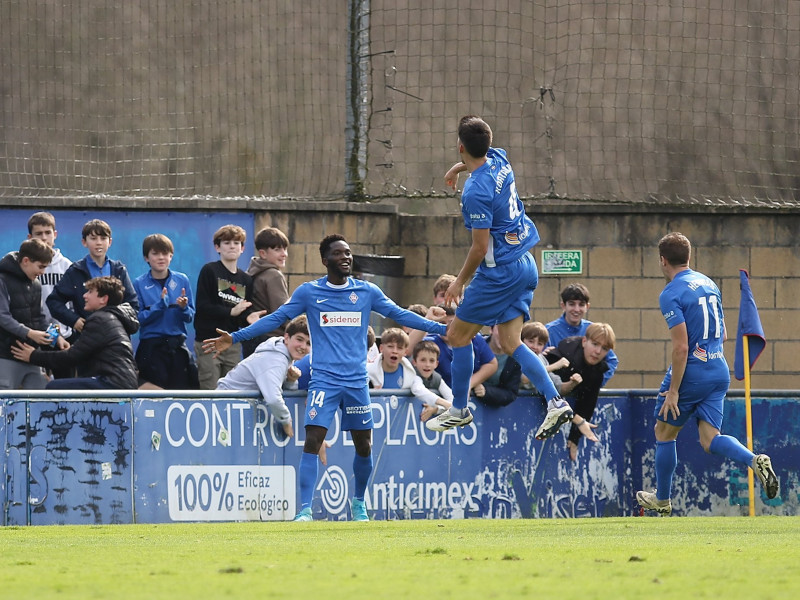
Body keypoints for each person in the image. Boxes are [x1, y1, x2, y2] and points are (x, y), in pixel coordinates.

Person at [203, 234, 448, 522]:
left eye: (348, 253)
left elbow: (399, 314)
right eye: (338, 253)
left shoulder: (366, 292)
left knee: (363, 444)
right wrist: (235, 337)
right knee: (313, 439)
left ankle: (358, 504)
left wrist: (443, 330)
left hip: (356, 382)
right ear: (324, 260)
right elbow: (275, 318)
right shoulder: (310, 292)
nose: (345, 257)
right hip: (324, 381)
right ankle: (305, 510)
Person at [426, 115, 571, 438]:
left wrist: (459, 281)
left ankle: (459, 409)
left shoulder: (474, 193)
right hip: (525, 263)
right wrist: (457, 168)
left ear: (460, 146)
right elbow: (479, 158)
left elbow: (479, 248)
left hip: (499, 272)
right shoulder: (500, 158)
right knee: (509, 342)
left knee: (457, 337)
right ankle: (556, 402)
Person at [637, 232, 779, 515]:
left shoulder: (671, 293)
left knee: (663, 432)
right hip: (718, 368)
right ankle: (753, 460)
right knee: (710, 438)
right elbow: (723, 333)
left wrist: (675, 390)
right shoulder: (708, 283)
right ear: (689, 257)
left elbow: (681, 347)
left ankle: (662, 500)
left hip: (693, 370)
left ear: (662, 261)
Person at [12, 276, 139, 389]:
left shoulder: (99, 319)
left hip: (111, 383)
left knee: (53, 387)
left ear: (103, 299)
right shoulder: (111, 318)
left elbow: (71, 357)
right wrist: (73, 348)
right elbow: (83, 352)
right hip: (122, 382)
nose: (84, 296)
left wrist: (33, 356)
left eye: (90, 292)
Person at [46, 219, 138, 344]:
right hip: (87, 337)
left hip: (115, 337)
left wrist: (118, 322)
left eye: (103, 238)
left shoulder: (118, 270)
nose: (99, 243)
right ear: (84, 242)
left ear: (110, 242)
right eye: (93, 238)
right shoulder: (76, 270)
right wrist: (74, 320)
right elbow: (54, 301)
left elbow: (132, 304)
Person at [193, 224, 263, 389]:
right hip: (208, 342)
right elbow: (203, 307)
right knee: (210, 391)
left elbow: (240, 315)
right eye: (226, 242)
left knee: (232, 391)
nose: (232, 246)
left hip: (232, 343)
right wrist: (230, 311)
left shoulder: (246, 280)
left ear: (243, 248)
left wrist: (248, 318)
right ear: (217, 247)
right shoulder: (209, 270)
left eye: (236, 243)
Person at [217, 315, 310, 437]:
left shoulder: (283, 355)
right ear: (286, 338)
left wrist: (291, 381)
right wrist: (286, 421)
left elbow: (281, 391)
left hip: (233, 410)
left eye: (308, 343)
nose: (303, 346)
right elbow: (273, 398)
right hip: (223, 409)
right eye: (299, 339)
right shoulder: (276, 359)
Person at [133, 234, 199, 389]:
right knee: (153, 398)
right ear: (146, 258)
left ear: (171, 256)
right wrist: (159, 306)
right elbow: (137, 319)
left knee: (186, 391)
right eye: (155, 254)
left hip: (177, 345)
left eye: (165, 253)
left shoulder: (182, 280)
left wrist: (183, 308)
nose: (161, 258)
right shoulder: (139, 283)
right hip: (151, 348)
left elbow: (190, 316)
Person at [546, 323, 615, 461]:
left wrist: (574, 437)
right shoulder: (560, 357)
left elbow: (588, 403)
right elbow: (548, 395)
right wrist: (578, 420)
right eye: (595, 344)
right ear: (584, 341)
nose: (598, 351)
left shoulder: (597, 371)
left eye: (604, 348)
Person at [0, 239, 58, 389]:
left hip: (31, 356)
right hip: (5, 356)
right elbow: (2, 316)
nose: (42, 272)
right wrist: (30, 333)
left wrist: (55, 337)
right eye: (40, 267)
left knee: (39, 403)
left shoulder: (36, 284)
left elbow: (38, 316)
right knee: (5, 406)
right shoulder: (2, 280)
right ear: (26, 261)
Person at [411, 303, 498, 393]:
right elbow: (407, 350)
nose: (448, 328)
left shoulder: (474, 339)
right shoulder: (432, 342)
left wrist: (469, 384)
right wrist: (427, 319)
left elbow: (491, 364)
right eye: (442, 323)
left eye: (452, 323)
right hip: (440, 398)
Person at [367, 328, 451, 420]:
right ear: (381, 348)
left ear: (405, 352)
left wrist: (446, 405)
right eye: (390, 346)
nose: (394, 351)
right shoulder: (367, 371)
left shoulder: (410, 374)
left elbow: (419, 390)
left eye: (399, 348)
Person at [545, 283, 619, 386]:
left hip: (585, 394)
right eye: (571, 304)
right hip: (557, 392)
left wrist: (596, 383)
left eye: (581, 304)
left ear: (587, 306)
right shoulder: (548, 331)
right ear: (563, 305)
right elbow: (540, 363)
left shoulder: (594, 330)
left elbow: (612, 361)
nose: (576, 309)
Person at [27, 212, 74, 346]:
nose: (44, 238)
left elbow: (73, 303)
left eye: (48, 233)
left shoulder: (67, 266)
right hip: (36, 334)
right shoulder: (26, 266)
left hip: (65, 335)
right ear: (30, 237)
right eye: (39, 234)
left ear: (55, 235)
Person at [242, 226, 290, 358]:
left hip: (251, 339)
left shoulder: (250, 273)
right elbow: (284, 313)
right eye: (277, 249)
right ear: (263, 253)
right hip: (271, 340)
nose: (284, 254)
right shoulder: (274, 275)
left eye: (284, 249)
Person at [472, 325, 522, 407]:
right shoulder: (475, 345)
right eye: (500, 330)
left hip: (492, 410)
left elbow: (511, 394)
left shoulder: (516, 358)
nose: (504, 335)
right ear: (491, 330)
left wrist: (486, 391)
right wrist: (474, 384)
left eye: (508, 331)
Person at [411, 340, 453, 421]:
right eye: (423, 360)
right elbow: (418, 389)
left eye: (431, 361)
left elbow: (452, 400)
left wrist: (436, 409)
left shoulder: (437, 378)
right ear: (414, 362)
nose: (427, 365)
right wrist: (444, 403)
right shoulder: (412, 374)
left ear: (436, 364)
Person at [519, 321, 565, 395]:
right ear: (522, 340)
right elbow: (524, 379)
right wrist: (555, 366)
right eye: (531, 341)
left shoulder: (541, 358)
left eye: (540, 344)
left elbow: (554, 382)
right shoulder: (517, 357)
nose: (535, 346)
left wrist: (573, 382)